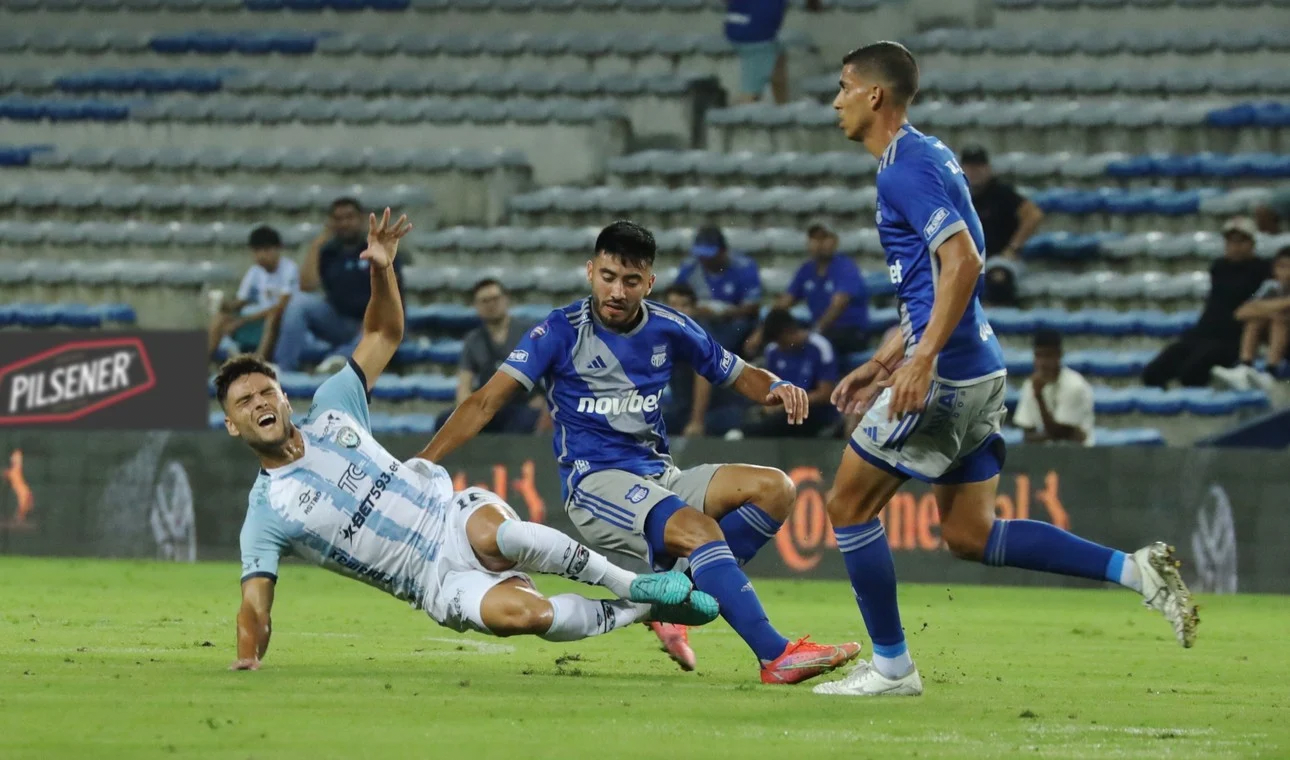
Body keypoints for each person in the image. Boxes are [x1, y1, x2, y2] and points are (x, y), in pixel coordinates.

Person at [814, 42, 1198, 698]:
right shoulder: (932, 155)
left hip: (947, 375)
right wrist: (884, 360)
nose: (836, 99)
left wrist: (921, 359)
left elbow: (963, 264)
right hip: (983, 369)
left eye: (844, 86)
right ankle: (1137, 572)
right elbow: (945, 275)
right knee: (969, 533)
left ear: (874, 95)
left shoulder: (900, 169)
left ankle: (892, 666)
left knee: (847, 505)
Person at [224, 210, 717, 672]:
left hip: (451, 516)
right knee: (526, 617)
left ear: (286, 398)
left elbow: (382, 333)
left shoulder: (332, 406)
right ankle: (646, 606)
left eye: (267, 391)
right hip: (431, 582)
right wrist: (248, 657)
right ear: (231, 425)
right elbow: (254, 603)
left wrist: (382, 270)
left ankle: (633, 582)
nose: (260, 403)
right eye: (244, 402)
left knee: (507, 536)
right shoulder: (267, 513)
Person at [422, 220, 861, 684]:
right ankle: (775, 655)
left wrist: (777, 386)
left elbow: (735, 371)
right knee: (700, 530)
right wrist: (424, 462)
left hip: (659, 476)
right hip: (595, 483)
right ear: (590, 272)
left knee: (776, 489)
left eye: (631, 281)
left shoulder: (670, 327)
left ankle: (669, 601)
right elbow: (485, 401)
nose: (617, 291)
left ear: (648, 283)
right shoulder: (558, 331)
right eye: (608, 276)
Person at [274, 198, 405, 373]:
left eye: (349, 217)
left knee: (376, 333)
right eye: (338, 219)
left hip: (373, 322)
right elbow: (307, 285)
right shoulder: (329, 252)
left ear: (361, 219)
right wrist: (319, 242)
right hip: (339, 320)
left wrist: (373, 319)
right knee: (299, 303)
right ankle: (285, 368)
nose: (344, 223)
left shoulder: (378, 248)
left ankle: (339, 360)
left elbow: (392, 295)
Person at [1142, 217, 1270, 388]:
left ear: (1252, 243)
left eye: (1241, 241)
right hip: (1204, 331)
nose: (1235, 247)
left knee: (1193, 371)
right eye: (1231, 241)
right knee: (1154, 371)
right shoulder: (1219, 267)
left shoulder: (1262, 270)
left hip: (1233, 336)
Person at [748, 222, 870, 358]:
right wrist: (761, 332)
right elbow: (784, 302)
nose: (819, 244)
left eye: (824, 238)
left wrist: (813, 332)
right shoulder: (806, 270)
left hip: (849, 331)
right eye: (815, 239)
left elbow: (838, 305)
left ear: (835, 241)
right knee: (780, 336)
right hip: (821, 329)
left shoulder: (845, 267)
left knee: (806, 345)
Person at [444, 279, 545, 434]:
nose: (491, 304)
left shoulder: (530, 332)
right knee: (444, 422)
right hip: (488, 407)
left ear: (506, 299)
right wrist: (465, 412)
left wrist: (545, 402)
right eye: (484, 301)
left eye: (495, 299)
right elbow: (464, 384)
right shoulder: (473, 340)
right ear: (476, 306)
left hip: (525, 404)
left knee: (521, 424)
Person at [958, 146, 1044, 307]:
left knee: (998, 279)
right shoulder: (957, 195)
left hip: (998, 258)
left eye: (979, 167)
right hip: (966, 258)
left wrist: (1014, 247)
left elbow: (1033, 215)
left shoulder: (1001, 194)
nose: (974, 172)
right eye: (970, 167)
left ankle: (1001, 325)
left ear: (988, 169)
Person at [661, 284, 745, 438]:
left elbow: (703, 379)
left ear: (693, 310)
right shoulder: (662, 335)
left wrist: (696, 422)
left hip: (716, 409)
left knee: (729, 428)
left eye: (684, 305)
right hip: (683, 408)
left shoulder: (700, 336)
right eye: (672, 305)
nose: (678, 311)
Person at [207, 225, 298, 361]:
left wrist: (243, 321)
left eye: (266, 250)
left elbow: (280, 307)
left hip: (280, 324)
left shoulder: (289, 269)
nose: (261, 256)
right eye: (257, 251)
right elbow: (240, 301)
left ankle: (258, 363)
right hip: (258, 320)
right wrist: (223, 305)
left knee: (272, 317)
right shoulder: (254, 271)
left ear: (278, 249)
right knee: (220, 318)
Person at [744, 309, 839, 439]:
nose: (780, 347)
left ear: (790, 331)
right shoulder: (772, 351)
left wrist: (786, 404)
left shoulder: (819, 347)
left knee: (769, 426)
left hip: (814, 410)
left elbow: (826, 394)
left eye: (782, 342)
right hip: (786, 411)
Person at [674, 225, 763, 355]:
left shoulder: (744, 266)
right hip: (699, 319)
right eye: (701, 255)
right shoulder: (691, 267)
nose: (705, 260)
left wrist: (721, 313)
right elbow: (675, 298)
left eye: (710, 255)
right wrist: (695, 310)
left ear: (722, 251)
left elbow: (752, 306)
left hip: (733, 320)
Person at [1211, 246, 1290, 391]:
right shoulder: (1270, 287)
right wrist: (1279, 306)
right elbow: (1241, 312)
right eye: (1282, 267)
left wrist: (1267, 308)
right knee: (1256, 320)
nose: (1287, 272)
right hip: (1277, 339)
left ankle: (1271, 372)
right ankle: (1245, 367)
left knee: (1280, 320)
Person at [1011, 330, 1095, 446]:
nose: (1043, 363)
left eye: (1048, 356)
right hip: (1044, 457)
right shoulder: (1030, 385)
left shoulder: (1074, 385)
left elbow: (1059, 433)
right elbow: (1027, 435)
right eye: (1038, 356)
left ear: (1059, 355)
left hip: (1078, 456)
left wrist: (1039, 397)